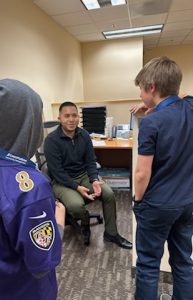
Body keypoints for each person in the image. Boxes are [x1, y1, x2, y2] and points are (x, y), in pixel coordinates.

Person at [0, 79, 65, 300]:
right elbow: (41, 263)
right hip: (23, 292)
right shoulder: (32, 188)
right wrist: (59, 222)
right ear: (27, 126)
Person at [133, 56, 193, 300]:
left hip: (157, 205)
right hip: (187, 203)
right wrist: (162, 103)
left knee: (148, 266)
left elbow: (142, 173)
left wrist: (138, 201)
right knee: (183, 262)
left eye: (140, 89)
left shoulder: (151, 122)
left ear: (152, 87)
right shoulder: (190, 107)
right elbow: (185, 95)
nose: (139, 96)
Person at [44, 101, 132, 249]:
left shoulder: (84, 134)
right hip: (61, 181)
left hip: (83, 175)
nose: (71, 119)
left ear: (78, 117)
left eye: (74, 115)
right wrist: (77, 187)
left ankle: (111, 233)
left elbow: (91, 161)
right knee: (76, 206)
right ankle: (85, 223)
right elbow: (57, 172)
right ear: (59, 118)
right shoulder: (51, 141)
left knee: (108, 194)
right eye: (67, 116)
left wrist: (94, 179)